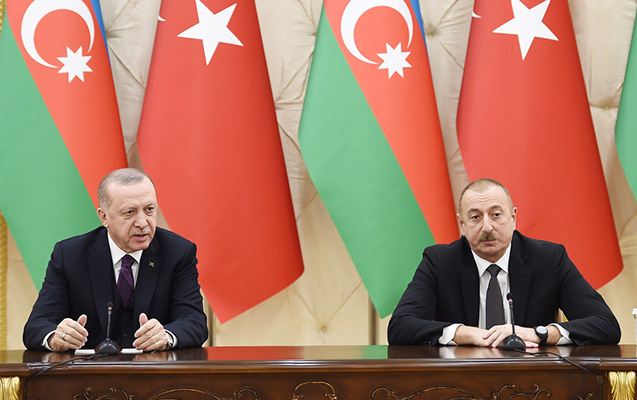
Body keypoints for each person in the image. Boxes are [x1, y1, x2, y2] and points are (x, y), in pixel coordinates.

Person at [388, 178, 621, 347]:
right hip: (460, 379)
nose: (487, 227)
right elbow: (400, 326)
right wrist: (462, 333)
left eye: (496, 215)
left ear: (513, 218)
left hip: (535, 380)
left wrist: (538, 333)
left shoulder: (549, 258)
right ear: (462, 225)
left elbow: (606, 325)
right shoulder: (440, 262)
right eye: (475, 217)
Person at [23, 168, 208, 352]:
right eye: (130, 212)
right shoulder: (69, 255)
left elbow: (195, 322)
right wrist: (56, 337)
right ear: (104, 217)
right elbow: (37, 326)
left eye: (149, 210)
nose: (142, 223)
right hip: (88, 369)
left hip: (154, 368)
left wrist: (166, 336)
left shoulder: (178, 253)